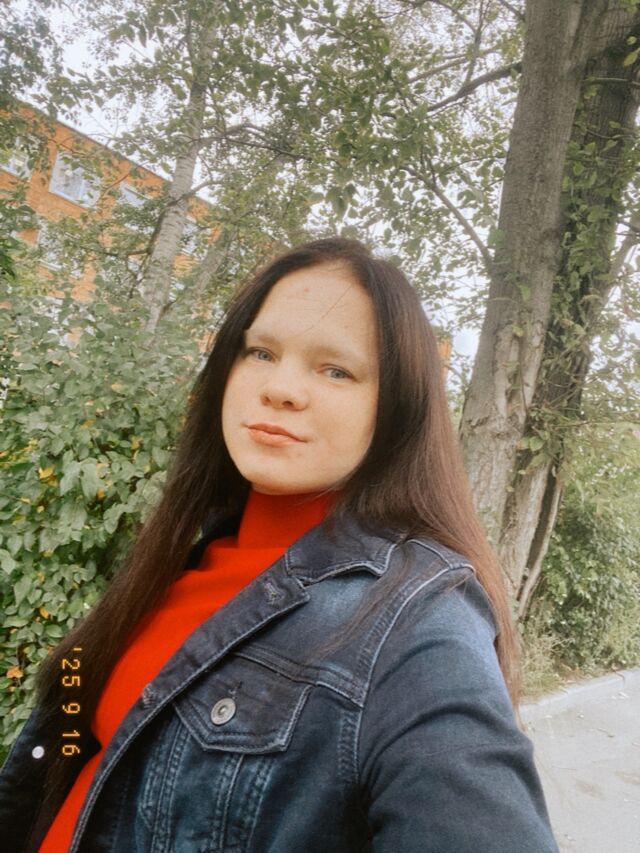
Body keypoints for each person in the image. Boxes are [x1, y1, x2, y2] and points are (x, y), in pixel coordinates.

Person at [0, 237, 559, 852]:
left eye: (336, 369)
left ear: (395, 409)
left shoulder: (416, 618)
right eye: (261, 352)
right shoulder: (181, 558)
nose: (280, 388)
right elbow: (66, 747)